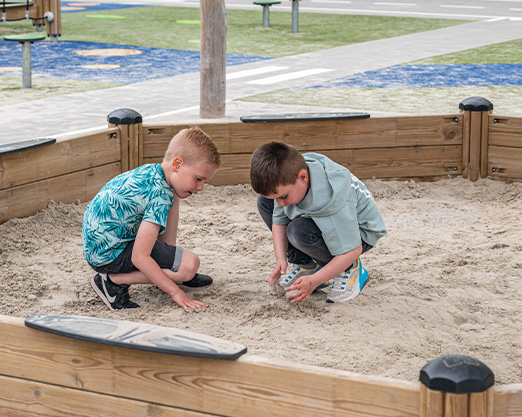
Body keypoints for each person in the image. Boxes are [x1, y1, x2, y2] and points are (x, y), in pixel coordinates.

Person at [82, 127, 220, 312]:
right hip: (108, 253)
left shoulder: (156, 174)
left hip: (98, 244)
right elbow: (140, 257)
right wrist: (175, 292)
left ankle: (168, 272)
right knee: (189, 265)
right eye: (198, 179)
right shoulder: (159, 195)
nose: (201, 187)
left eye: (205, 182)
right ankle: (112, 281)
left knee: (174, 196)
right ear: (177, 164)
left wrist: (169, 261)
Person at [250, 141, 386, 304]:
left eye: (284, 196)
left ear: (302, 177)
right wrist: (281, 258)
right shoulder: (290, 175)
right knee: (264, 202)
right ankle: (306, 266)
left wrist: (314, 281)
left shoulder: (330, 200)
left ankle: (350, 270)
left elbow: (353, 249)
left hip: (359, 235)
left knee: (298, 232)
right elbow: (279, 220)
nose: (280, 203)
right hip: (318, 216)